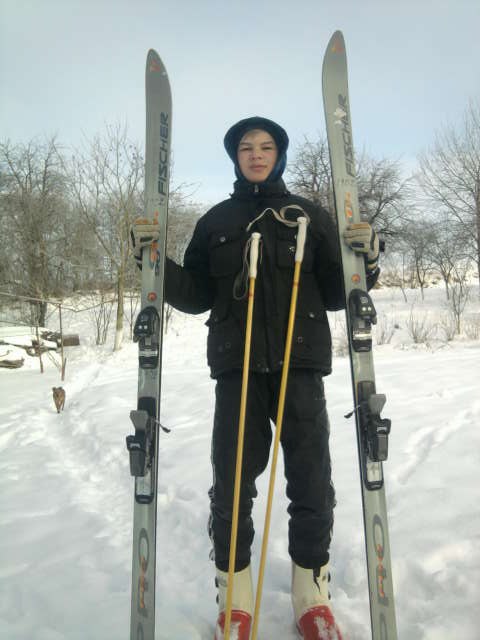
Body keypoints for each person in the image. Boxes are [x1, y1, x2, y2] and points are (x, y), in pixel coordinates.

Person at [131, 116, 379, 640]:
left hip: (300, 368)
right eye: (246, 147)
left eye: (266, 146)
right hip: (237, 369)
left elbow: (339, 291)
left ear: (279, 154)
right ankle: (236, 598)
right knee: (232, 483)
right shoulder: (216, 221)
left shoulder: (309, 215)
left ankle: (312, 596)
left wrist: (366, 259)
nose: (257, 154)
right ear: (235, 157)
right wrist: (152, 260)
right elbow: (197, 295)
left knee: (312, 482)